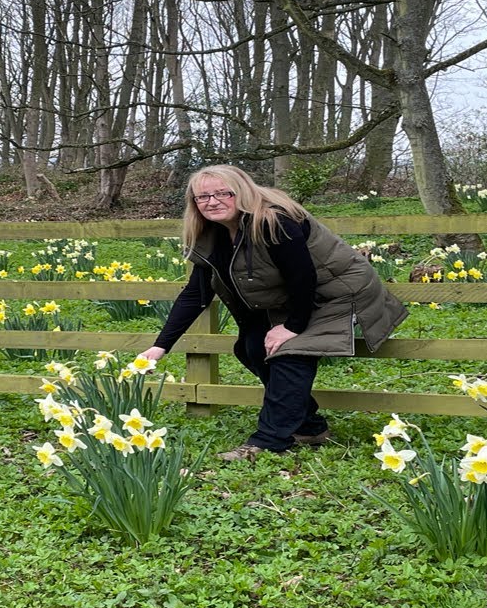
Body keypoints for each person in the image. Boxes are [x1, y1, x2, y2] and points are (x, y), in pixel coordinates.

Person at [138, 165, 408, 461]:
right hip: (290, 297)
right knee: (251, 347)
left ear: (240, 193)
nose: (212, 202)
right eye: (203, 197)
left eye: (222, 193)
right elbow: (195, 294)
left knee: (290, 353)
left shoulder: (273, 220)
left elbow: (303, 277)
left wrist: (292, 327)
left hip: (337, 292)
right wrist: (160, 346)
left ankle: (268, 441)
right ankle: (310, 426)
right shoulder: (210, 236)